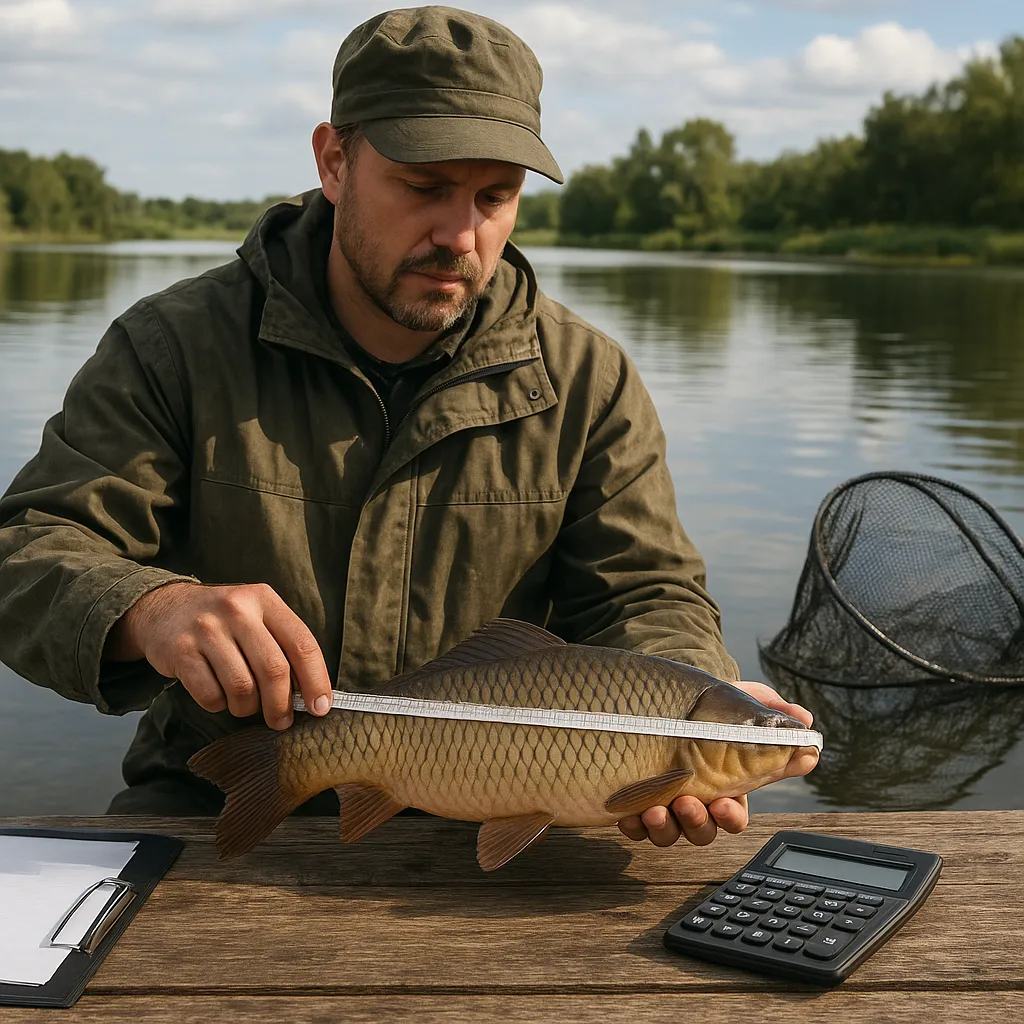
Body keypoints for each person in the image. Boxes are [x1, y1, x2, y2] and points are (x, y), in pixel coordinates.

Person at [0, 6, 815, 848]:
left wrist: (689, 709)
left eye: (495, 198)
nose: (460, 235)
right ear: (334, 161)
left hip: (496, 830)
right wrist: (152, 608)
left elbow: (651, 594)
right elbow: (26, 552)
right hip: (210, 799)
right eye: (425, 189)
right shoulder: (174, 345)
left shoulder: (587, 380)